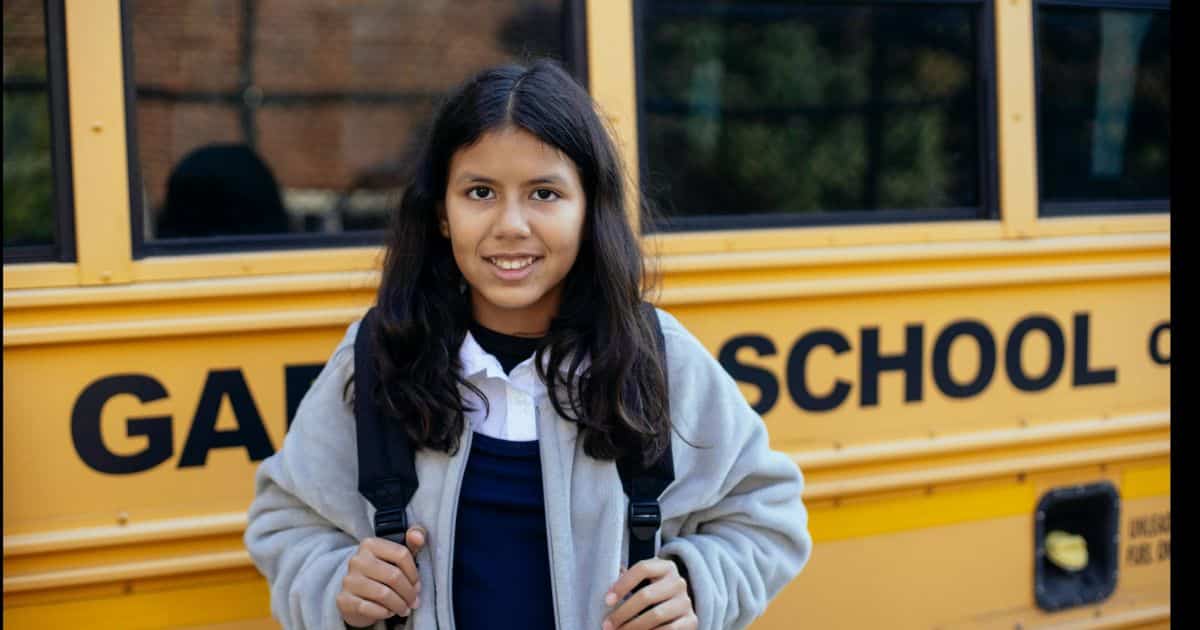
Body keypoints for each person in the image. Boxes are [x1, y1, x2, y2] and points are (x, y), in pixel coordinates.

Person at [244, 59, 811, 630]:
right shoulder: (381, 354)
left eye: (544, 193)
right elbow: (286, 522)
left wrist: (694, 584)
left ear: (590, 209)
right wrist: (340, 584)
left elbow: (767, 516)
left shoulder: (655, 358)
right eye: (480, 191)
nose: (511, 224)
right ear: (442, 213)